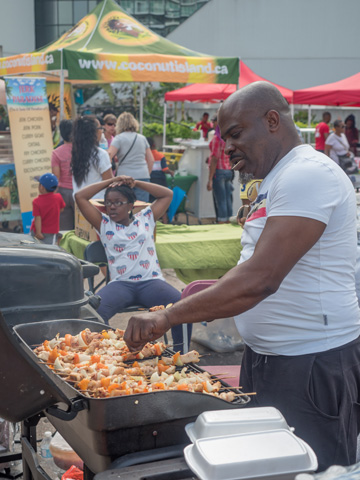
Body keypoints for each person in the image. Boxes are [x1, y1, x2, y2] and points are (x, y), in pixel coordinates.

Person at [123, 81, 360, 473]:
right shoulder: (277, 179)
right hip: (270, 359)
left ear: (271, 121)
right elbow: (248, 264)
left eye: (235, 134)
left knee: (314, 471)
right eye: (223, 138)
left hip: (311, 364)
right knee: (270, 468)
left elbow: (261, 277)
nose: (227, 147)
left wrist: (168, 316)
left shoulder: (308, 174)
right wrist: (205, 299)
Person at [74, 176, 191, 353]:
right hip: (121, 285)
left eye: (118, 202)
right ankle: (106, 355)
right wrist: (110, 181)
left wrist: (136, 183)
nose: (112, 206)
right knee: (92, 313)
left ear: (131, 205)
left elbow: (167, 194)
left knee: (183, 307)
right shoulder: (103, 223)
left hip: (151, 282)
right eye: (108, 203)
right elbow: (80, 196)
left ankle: (182, 356)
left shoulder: (146, 218)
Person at [107, 112, 154, 203]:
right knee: (141, 207)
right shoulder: (142, 138)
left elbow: (108, 155)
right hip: (143, 175)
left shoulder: (118, 138)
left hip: (125, 177)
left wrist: (110, 175)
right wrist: (146, 174)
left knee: (124, 206)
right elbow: (151, 160)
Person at [71, 116, 113, 200]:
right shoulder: (101, 154)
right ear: (94, 132)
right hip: (96, 204)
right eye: (100, 128)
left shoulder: (75, 153)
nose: (102, 131)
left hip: (79, 202)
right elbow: (109, 183)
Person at [206, 115, 233, 223]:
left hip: (220, 171)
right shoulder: (227, 138)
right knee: (227, 199)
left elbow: (214, 159)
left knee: (220, 200)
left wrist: (210, 179)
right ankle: (229, 221)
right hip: (228, 171)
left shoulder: (217, 139)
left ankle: (222, 221)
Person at [51, 119, 75, 230]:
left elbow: (56, 176)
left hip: (62, 193)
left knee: (65, 230)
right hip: (80, 191)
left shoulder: (56, 153)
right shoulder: (81, 151)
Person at [30, 173, 65, 244]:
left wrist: (38, 232)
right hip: (51, 232)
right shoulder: (58, 197)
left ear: (42, 187)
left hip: (38, 232)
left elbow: (37, 218)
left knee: (36, 248)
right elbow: (61, 209)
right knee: (50, 249)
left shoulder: (36, 202)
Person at [147, 137, 174, 223]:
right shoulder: (160, 155)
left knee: (150, 202)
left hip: (150, 181)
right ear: (154, 145)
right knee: (162, 201)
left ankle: (151, 222)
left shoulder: (145, 156)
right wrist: (170, 172)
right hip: (161, 181)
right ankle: (165, 222)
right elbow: (165, 169)